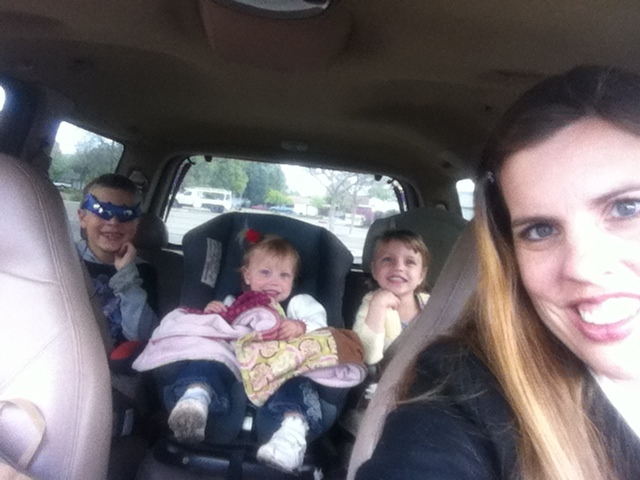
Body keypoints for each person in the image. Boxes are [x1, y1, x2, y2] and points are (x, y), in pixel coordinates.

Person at [356, 65, 640, 479]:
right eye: (540, 230)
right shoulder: (466, 383)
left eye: (628, 208)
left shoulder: (429, 306)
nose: (582, 267)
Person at [137, 233, 353, 473]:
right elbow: (219, 330)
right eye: (265, 272)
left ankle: (291, 436)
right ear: (247, 276)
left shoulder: (299, 303)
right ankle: (195, 401)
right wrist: (215, 313)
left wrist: (301, 326)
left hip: (280, 366)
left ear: (294, 280)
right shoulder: (236, 301)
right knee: (209, 357)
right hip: (236, 362)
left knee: (297, 382)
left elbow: (321, 327)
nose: (274, 281)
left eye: (284, 275)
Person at [76, 173, 158, 348]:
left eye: (126, 214)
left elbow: (142, 337)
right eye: (102, 211)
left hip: (118, 360)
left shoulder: (144, 271)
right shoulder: (63, 259)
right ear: (82, 218)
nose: (113, 222)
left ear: (136, 223)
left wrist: (127, 276)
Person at [352, 229, 430, 366]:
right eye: (388, 259)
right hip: (390, 374)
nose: (398, 267)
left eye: (410, 262)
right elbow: (367, 355)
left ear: (421, 275)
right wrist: (378, 307)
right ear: (374, 270)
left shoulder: (433, 303)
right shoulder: (371, 303)